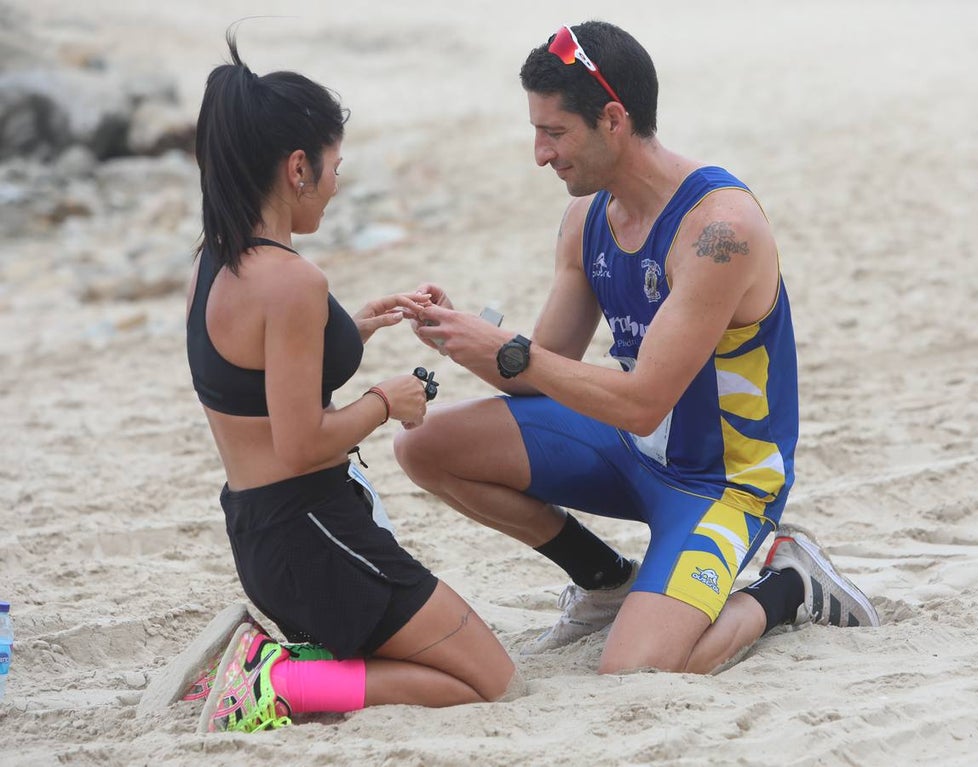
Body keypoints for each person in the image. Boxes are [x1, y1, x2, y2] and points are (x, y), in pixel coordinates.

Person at [394, 21, 879, 676]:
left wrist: (511, 349)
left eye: (555, 132)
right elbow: (534, 374)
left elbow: (645, 401)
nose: (540, 153)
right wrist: (458, 334)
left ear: (613, 120)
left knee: (635, 671)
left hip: (723, 483)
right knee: (423, 446)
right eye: (536, 131)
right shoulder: (585, 220)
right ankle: (604, 579)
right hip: (630, 451)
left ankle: (788, 584)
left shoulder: (720, 231)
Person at [180, 31, 518, 734]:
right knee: (487, 679)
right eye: (335, 166)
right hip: (313, 529)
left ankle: (283, 665)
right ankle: (279, 679)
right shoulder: (292, 281)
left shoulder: (215, 264)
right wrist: (384, 402)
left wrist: (352, 331)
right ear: (298, 167)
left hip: (267, 530)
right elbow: (302, 441)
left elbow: (255, 384)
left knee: (473, 666)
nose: (337, 183)